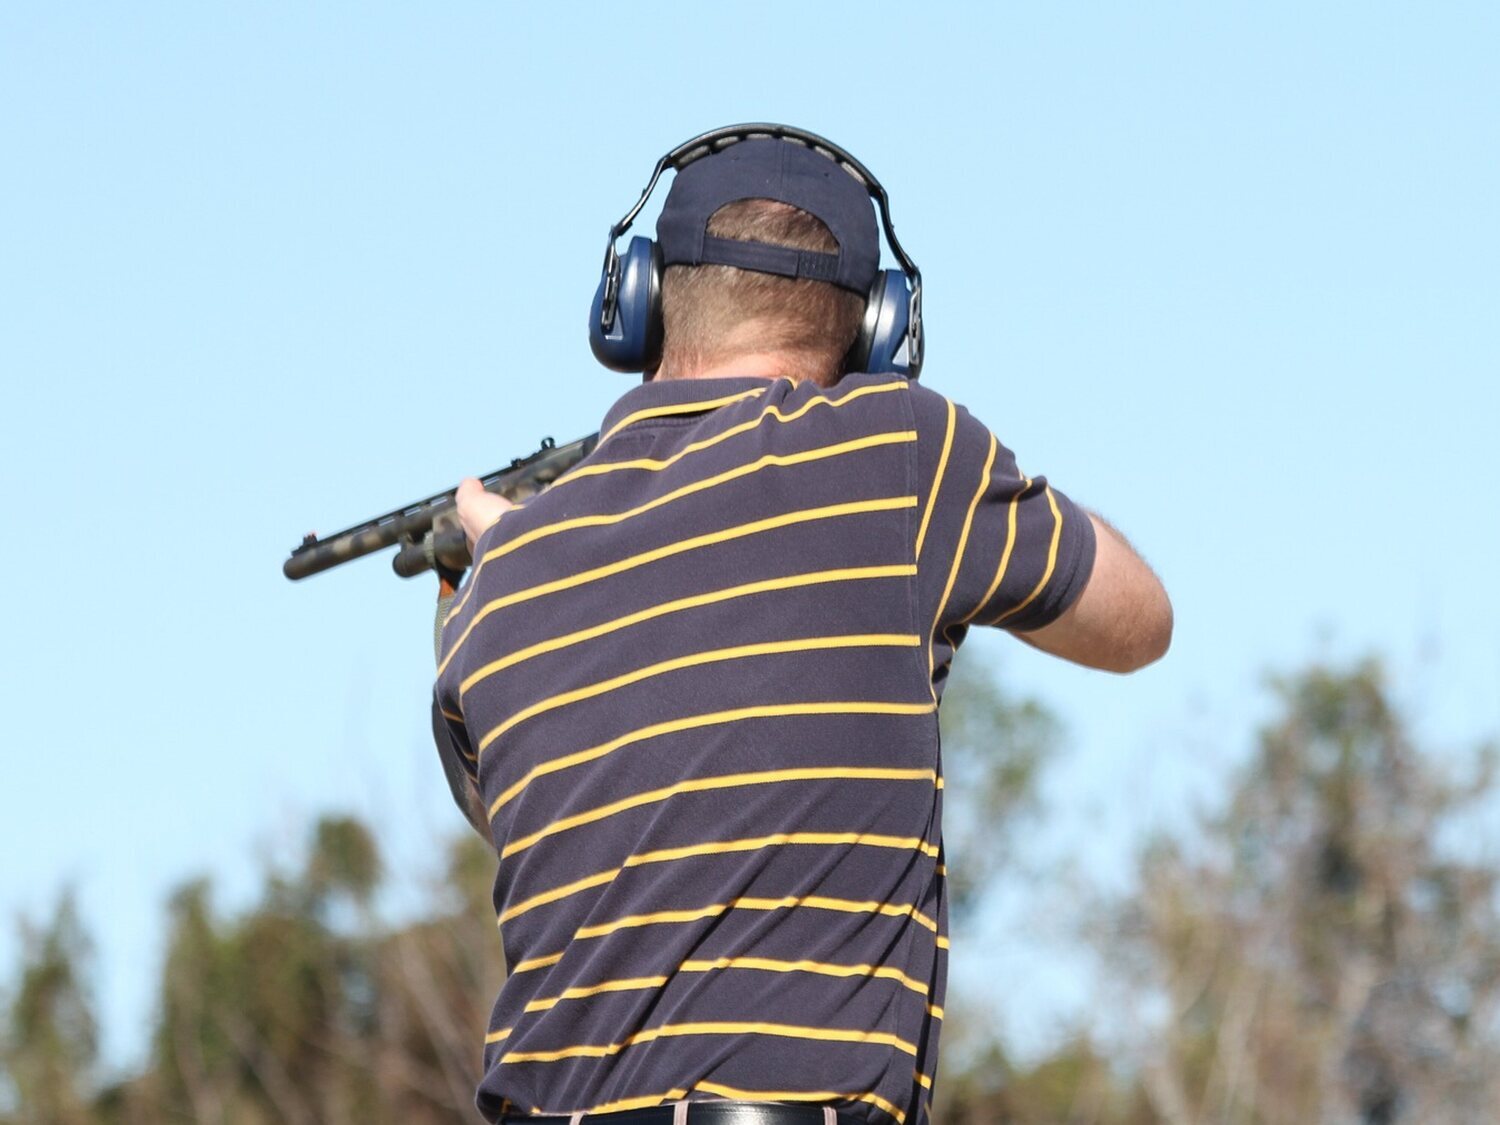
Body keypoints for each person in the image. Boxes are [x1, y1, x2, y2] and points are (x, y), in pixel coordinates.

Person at [431, 127, 1171, 1125]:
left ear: (639, 302)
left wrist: (493, 574)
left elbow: (555, 834)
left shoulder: (503, 578)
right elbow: (1137, 621)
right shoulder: (899, 452)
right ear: (876, 330)